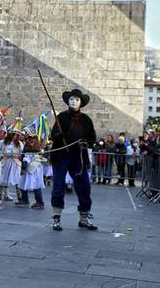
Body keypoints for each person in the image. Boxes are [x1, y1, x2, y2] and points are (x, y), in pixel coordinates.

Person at [50, 89, 97, 231]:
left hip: (79, 157)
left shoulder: (86, 120)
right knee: (58, 187)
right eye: (71, 99)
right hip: (61, 156)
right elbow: (54, 134)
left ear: (81, 103)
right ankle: (56, 218)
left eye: (76, 100)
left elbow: (92, 137)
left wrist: (86, 143)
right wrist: (59, 137)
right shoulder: (62, 117)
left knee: (84, 187)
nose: (73, 102)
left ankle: (84, 218)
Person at [16, 128, 46, 209]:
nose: (24, 134)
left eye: (26, 133)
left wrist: (24, 164)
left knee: (35, 184)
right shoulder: (32, 142)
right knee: (24, 182)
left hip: (33, 167)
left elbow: (28, 155)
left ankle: (39, 202)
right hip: (32, 166)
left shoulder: (31, 143)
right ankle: (24, 199)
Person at [0, 131, 22, 202]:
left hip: (15, 163)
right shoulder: (2, 142)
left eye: (16, 135)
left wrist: (18, 156)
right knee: (2, 179)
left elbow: (22, 153)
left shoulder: (19, 143)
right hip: (5, 162)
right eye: (13, 135)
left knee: (17, 179)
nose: (15, 136)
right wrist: (1, 155)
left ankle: (20, 197)